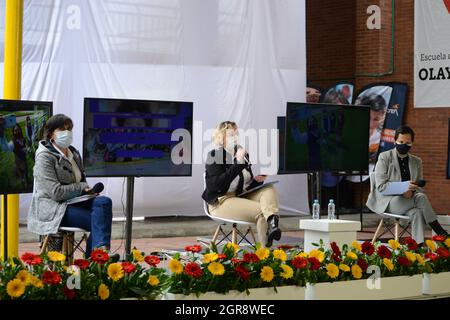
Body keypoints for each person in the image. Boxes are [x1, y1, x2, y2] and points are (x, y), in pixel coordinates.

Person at [28, 114, 118, 260]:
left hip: (76, 202)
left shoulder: (74, 153)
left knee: (104, 202)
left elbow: (81, 181)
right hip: (55, 208)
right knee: (99, 221)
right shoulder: (44, 157)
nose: (67, 132)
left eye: (69, 129)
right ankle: (97, 260)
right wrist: (81, 187)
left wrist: (88, 191)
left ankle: (98, 254)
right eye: (62, 129)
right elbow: (56, 193)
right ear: (51, 134)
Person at [202, 121, 281, 247]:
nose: (236, 138)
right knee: (262, 212)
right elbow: (217, 185)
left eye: (237, 135)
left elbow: (244, 186)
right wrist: (238, 163)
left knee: (269, 189)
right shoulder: (214, 155)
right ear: (221, 138)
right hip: (221, 201)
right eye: (231, 135)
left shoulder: (243, 154)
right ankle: (265, 254)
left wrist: (256, 181)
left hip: (239, 197)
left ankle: (273, 223)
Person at [366, 125, 449, 244]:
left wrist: (411, 192)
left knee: (417, 213)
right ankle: (441, 233)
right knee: (421, 198)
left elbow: (419, 188)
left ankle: (417, 247)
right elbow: (381, 187)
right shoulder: (384, 157)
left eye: (408, 143)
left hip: (409, 200)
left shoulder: (417, 161)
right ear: (395, 141)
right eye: (401, 142)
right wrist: (404, 187)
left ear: (412, 143)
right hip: (388, 202)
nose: (404, 145)